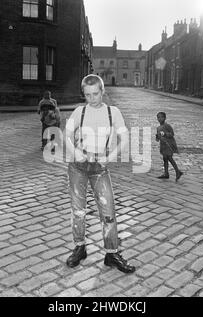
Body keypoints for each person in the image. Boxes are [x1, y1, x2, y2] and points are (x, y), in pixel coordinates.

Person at [64, 74, 135, 274]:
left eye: (95, 94)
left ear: (102, 92)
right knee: (78, 210)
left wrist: (110, 156)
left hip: (100, 167)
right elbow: (67, 134)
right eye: (87, 95)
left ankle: (111, 254)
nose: (92, 98)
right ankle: (80, 247)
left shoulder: (113, 113)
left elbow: (125, 138)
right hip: (78, 165)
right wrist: (74, 151)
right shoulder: (80, 111)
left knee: (108, 211)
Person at [156, 112, 183, 182]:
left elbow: (172, 134)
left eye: (161, 117)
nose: (160, 119)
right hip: (163, 145)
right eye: (158, 117)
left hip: (169, 145)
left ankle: (177, 171)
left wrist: (165, 134)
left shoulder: (167, 126)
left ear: (165, 118)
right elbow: (158, 139)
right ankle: (166, 173)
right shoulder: (158, 128)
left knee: (170, 158)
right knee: (165, 158)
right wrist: (157, 136)